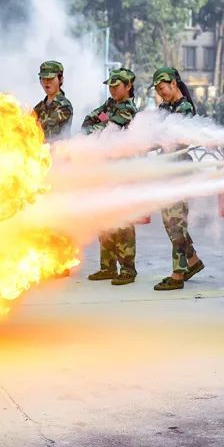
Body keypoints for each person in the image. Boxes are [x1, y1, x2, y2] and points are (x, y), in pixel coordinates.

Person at [83, 68, 140, 286]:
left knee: (122, 220)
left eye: (116, 86)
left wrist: (101, 124)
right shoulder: (110, 105)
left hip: (122, 171)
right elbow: (88, 122)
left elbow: (109, 128)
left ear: (128, 87)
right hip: (105, 170)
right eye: (110, 86)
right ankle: (107, 266)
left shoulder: (128, 109)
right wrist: (100, 124)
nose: (112, 89)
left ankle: (127, 269)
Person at [152, 67, 205, 290]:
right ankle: (192, 261)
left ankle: (178, 273)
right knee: (170, 221)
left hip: (179, 171)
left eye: (162, 88)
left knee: (175, 222)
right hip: (166, 170)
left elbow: (176, 139)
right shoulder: (165, 107)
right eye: (157, 89)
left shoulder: (184, 109)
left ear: (174, 84)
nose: (160, 92)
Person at [32, 60, 73, 142]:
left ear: (60, 79)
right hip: (39, 152)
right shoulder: (39, 107)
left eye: (51, 78)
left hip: (58, 152)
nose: (47, 82)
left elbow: (46, 130)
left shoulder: (64, 106)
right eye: (44, 78)